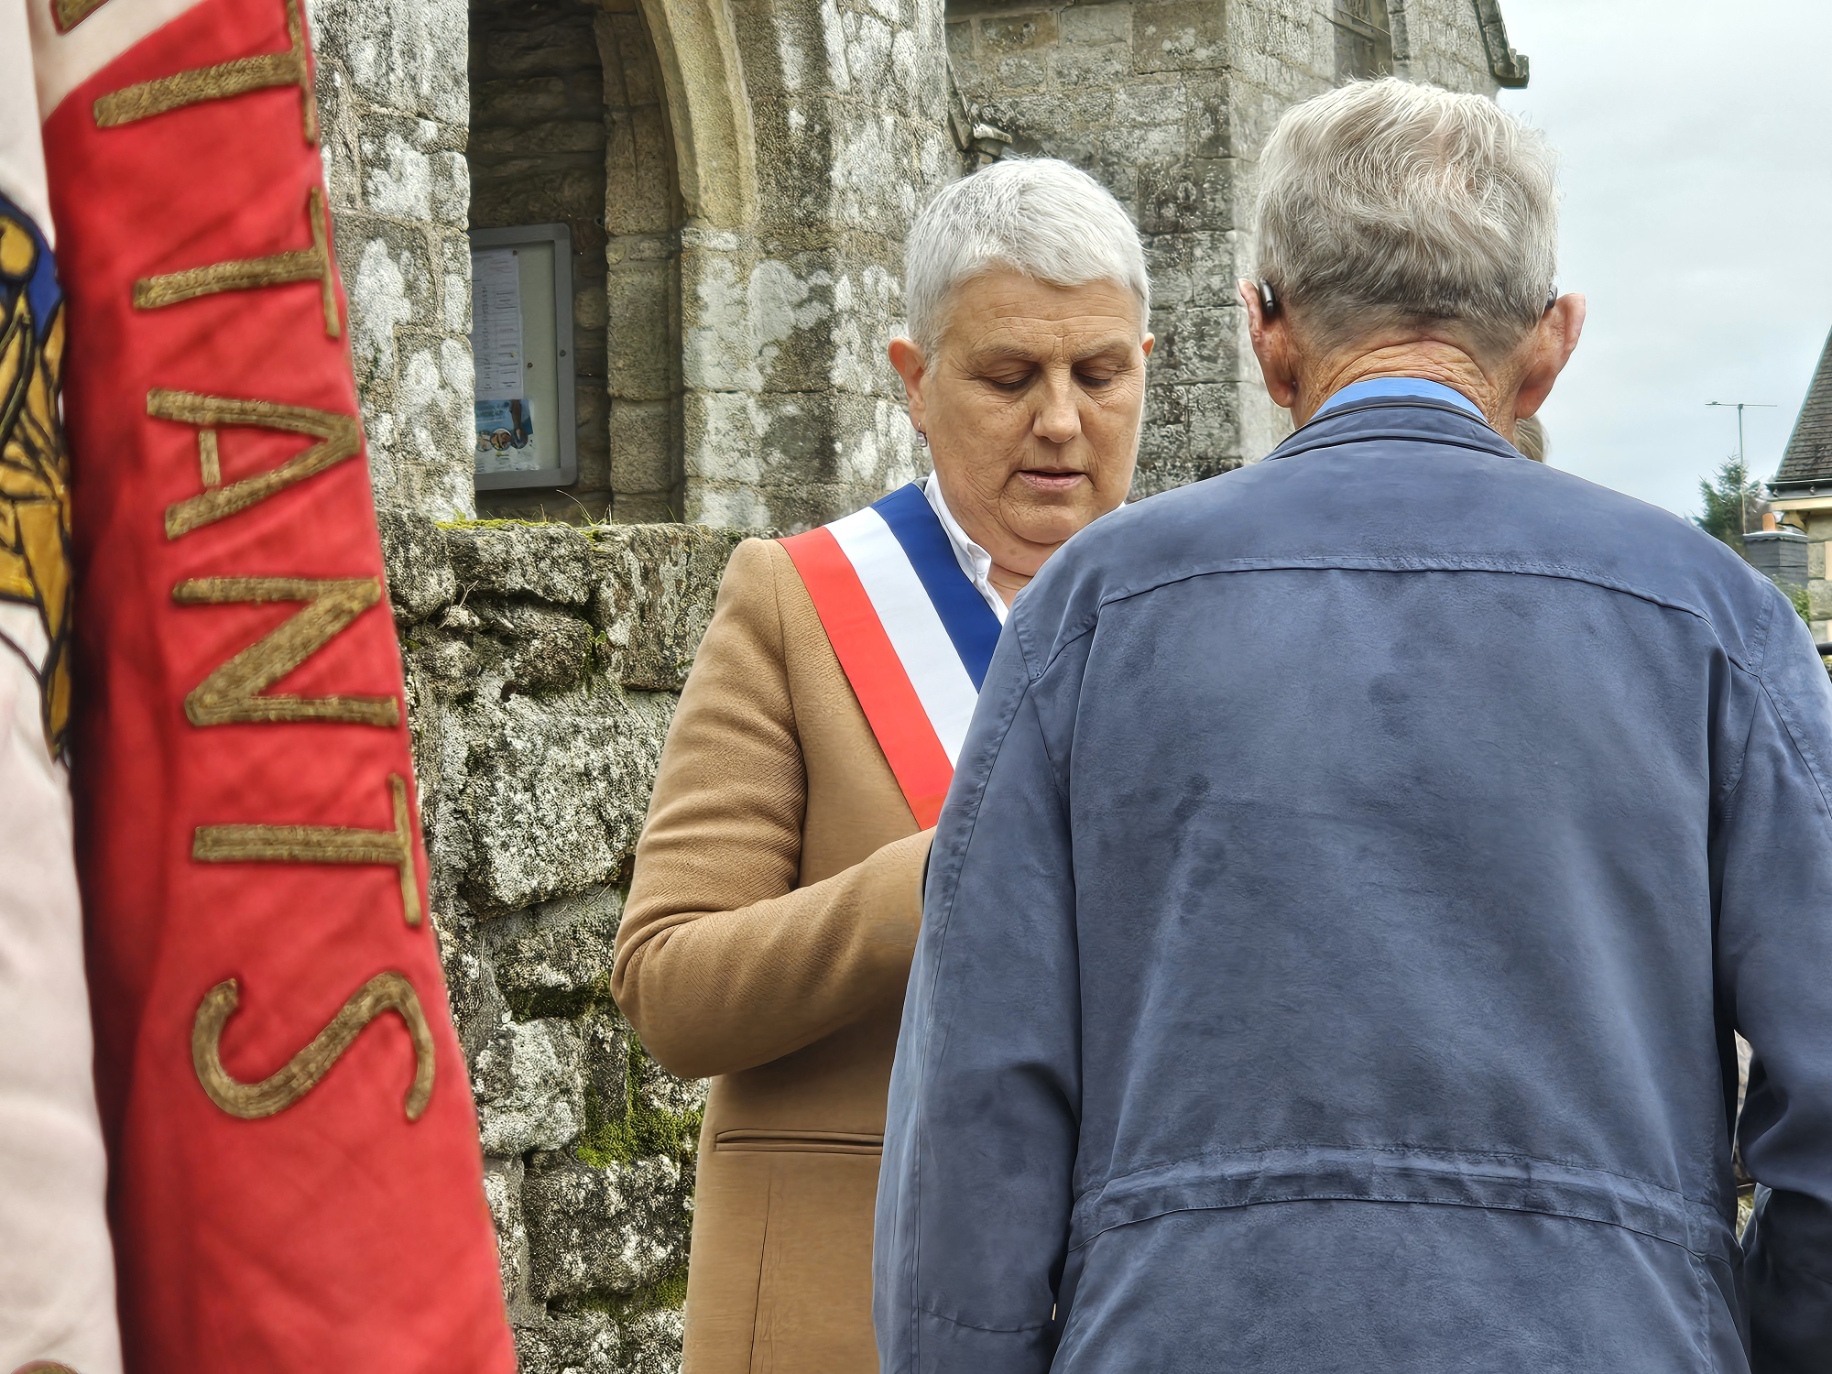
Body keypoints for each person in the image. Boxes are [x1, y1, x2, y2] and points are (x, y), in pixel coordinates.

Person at [876, 78, 1832, 1374]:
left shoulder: (1091, 615)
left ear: (1268, 334)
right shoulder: (1720, 620)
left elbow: (975, 1113)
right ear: (1553, 341)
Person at [612, 158, 1153, 1373]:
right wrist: (946, 875)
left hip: (1135, 1306)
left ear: (1146, 369)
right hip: (844, 1297)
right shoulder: (798, 602)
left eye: (1097, 374)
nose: (1059, 420)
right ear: (913, 380)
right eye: (1008, 376)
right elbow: (672, 989)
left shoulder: (1209, 615)